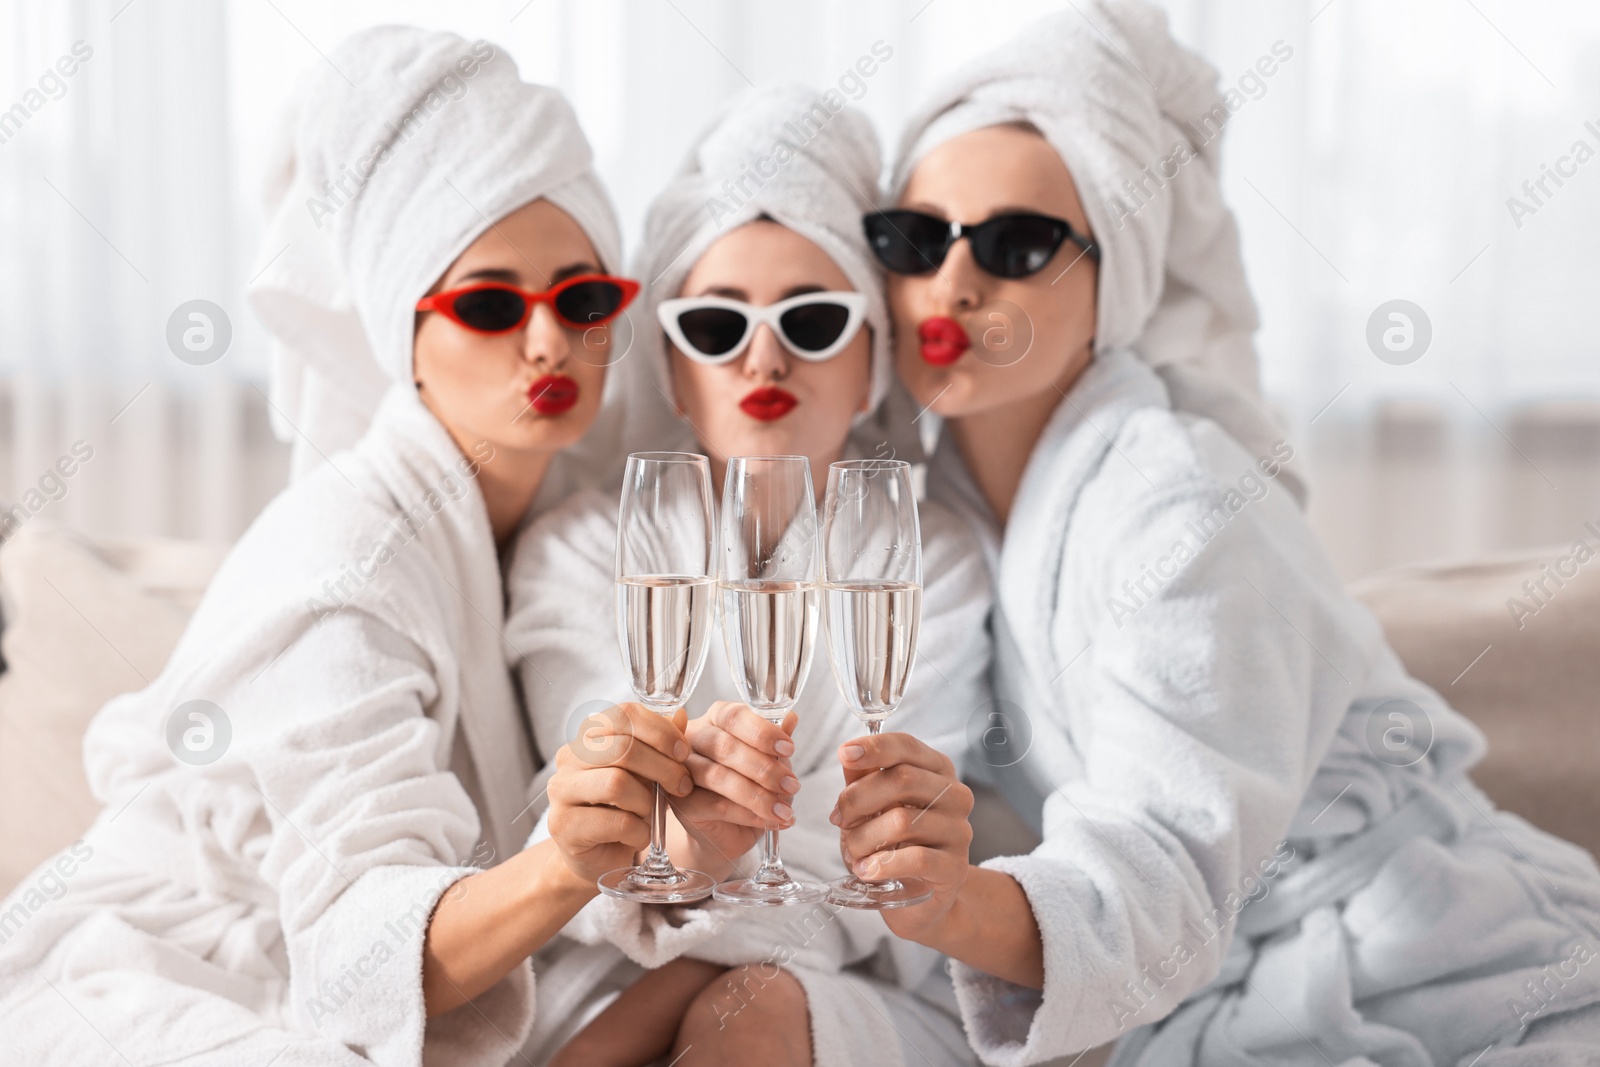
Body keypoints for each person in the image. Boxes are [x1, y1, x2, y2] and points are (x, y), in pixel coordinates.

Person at [839, 4, 1600, 1065]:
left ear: (1120, 280)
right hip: (1214, 982)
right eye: (916, 239)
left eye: (1017, 244)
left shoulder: (1180, 494)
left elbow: (1168, 848)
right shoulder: (944, 511)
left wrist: (950, 903)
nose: (955, 281)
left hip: (1434, 959)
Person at [0, 27, 734, 1066]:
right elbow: (358, 958)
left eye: (582, 297)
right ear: (405, 332)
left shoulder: (569, 522)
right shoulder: (344, 557)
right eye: (487, 303)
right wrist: (569, 859)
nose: (545, 341)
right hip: (153, 976)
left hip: (342, 973)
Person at [502, 85, 993, 1067]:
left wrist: (682, 978)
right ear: (676, 375)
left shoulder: (931, 559)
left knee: (752, 1004)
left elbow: (875, 835)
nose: (763, 354)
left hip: (847, 968)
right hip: (601, 958)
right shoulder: (574, 551)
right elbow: (604, 800)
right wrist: (676, 860)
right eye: (715, 329)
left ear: (869, 368)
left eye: (811, 321)